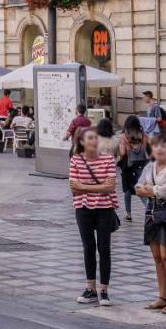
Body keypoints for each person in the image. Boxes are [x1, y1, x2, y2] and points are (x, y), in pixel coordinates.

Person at [69, 129, 119, 306]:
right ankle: (90, 288)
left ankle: (104, 290)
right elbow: (74, 188)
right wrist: (98, 187)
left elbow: (110, 187)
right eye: (90, 138)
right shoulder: (76, 159)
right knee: (88, 246)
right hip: (82, 208)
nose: (94, 140)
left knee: (104, 247)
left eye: (96, 137)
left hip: (104, 208)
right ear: (82, 141)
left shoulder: (108, 159)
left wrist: (85, 186)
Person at [136, 135, 166, 314]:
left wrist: (150, 189)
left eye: (163, 146)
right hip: (151, 213)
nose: (159, 149)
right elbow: (138, 188)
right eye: (156, 146)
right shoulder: (150, 167)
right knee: (157, 257)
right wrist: (152, 190)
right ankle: (162, 296)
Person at [118, 115, 151, 222]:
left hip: (129, 166)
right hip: (143, 164)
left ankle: (130, 213)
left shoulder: (124, 137)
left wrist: (120, 157)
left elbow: (122, 153)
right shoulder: (143, 135)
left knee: (128, 189)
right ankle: (149, 209)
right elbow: (152, 146)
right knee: (141, 187)